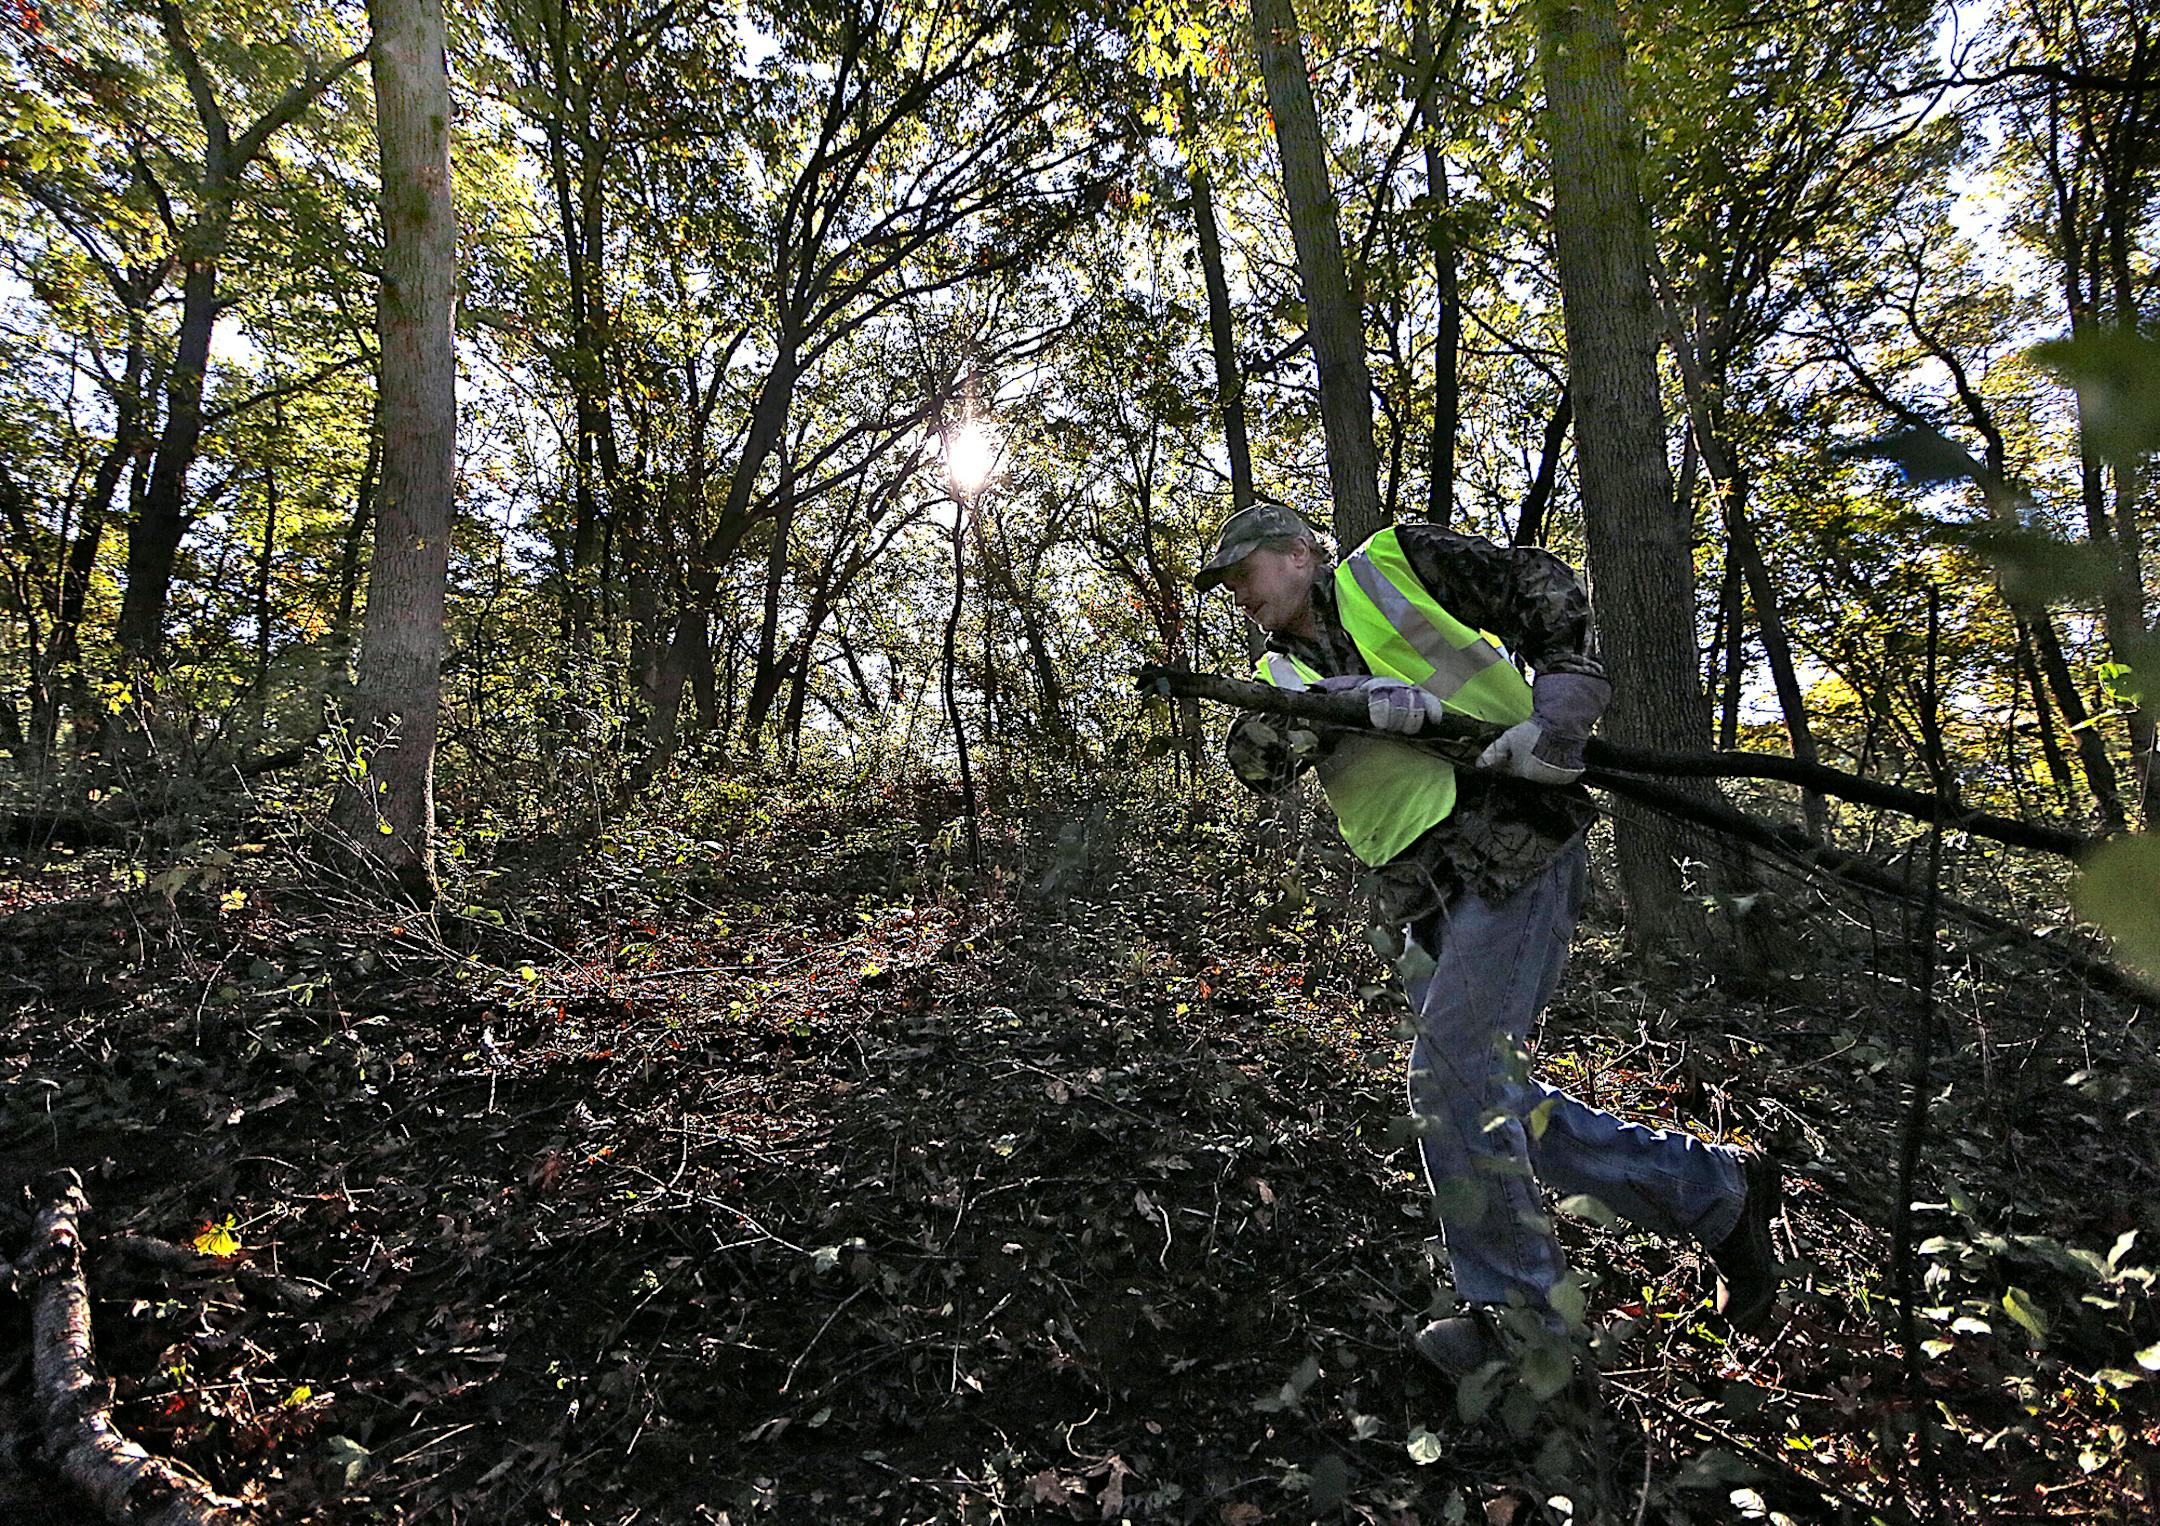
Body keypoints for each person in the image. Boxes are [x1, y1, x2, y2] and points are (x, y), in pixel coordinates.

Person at [1192, 499, 1782, 1375]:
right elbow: (1253, 761)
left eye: (1246, 572)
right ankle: (1715, 1194)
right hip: (1420, 895)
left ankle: (1523, 1329)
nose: (1237, 594)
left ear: (1297, 554)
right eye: (1226, 583)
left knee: (1456, 1079)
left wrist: (1562, 706)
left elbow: (1538, 587)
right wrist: (1342, 703)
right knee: (1493, 1099)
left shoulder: (1388, 565)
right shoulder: (1279, 670)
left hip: (1512, 838)